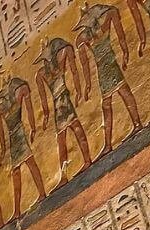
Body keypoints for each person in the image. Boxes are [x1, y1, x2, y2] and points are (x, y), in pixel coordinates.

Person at [75, 3, 143, 155]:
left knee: (120, 94)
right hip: (103, 69)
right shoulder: (86, 37)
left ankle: (136, 124)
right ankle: (109, 143)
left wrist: (125, 52)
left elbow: (115, 19)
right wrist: (87, 84)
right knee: (110, 101)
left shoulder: (98, 29)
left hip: (109, 64)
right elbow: (84, 63)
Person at [34, 38, 93, 187]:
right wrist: (45, 114)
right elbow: (42, 98)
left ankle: (87, 160)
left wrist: (78, 90)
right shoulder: (41, 73)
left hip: (63, 99)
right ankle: (64, 175)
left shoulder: (60, 58)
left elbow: (73, 70)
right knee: (62, 138)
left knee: (75, 128)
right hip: (58, 103)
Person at [0, 77, 47, 221]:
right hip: (13, 138)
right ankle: (17, 210)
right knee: (16, 172)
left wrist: (33, 127)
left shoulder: (17, 99)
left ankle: (42, 193)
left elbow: (29, 107)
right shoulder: (0, 109)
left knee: (30, 163)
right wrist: (3, 151)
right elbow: (1, 133)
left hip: (19, 133)